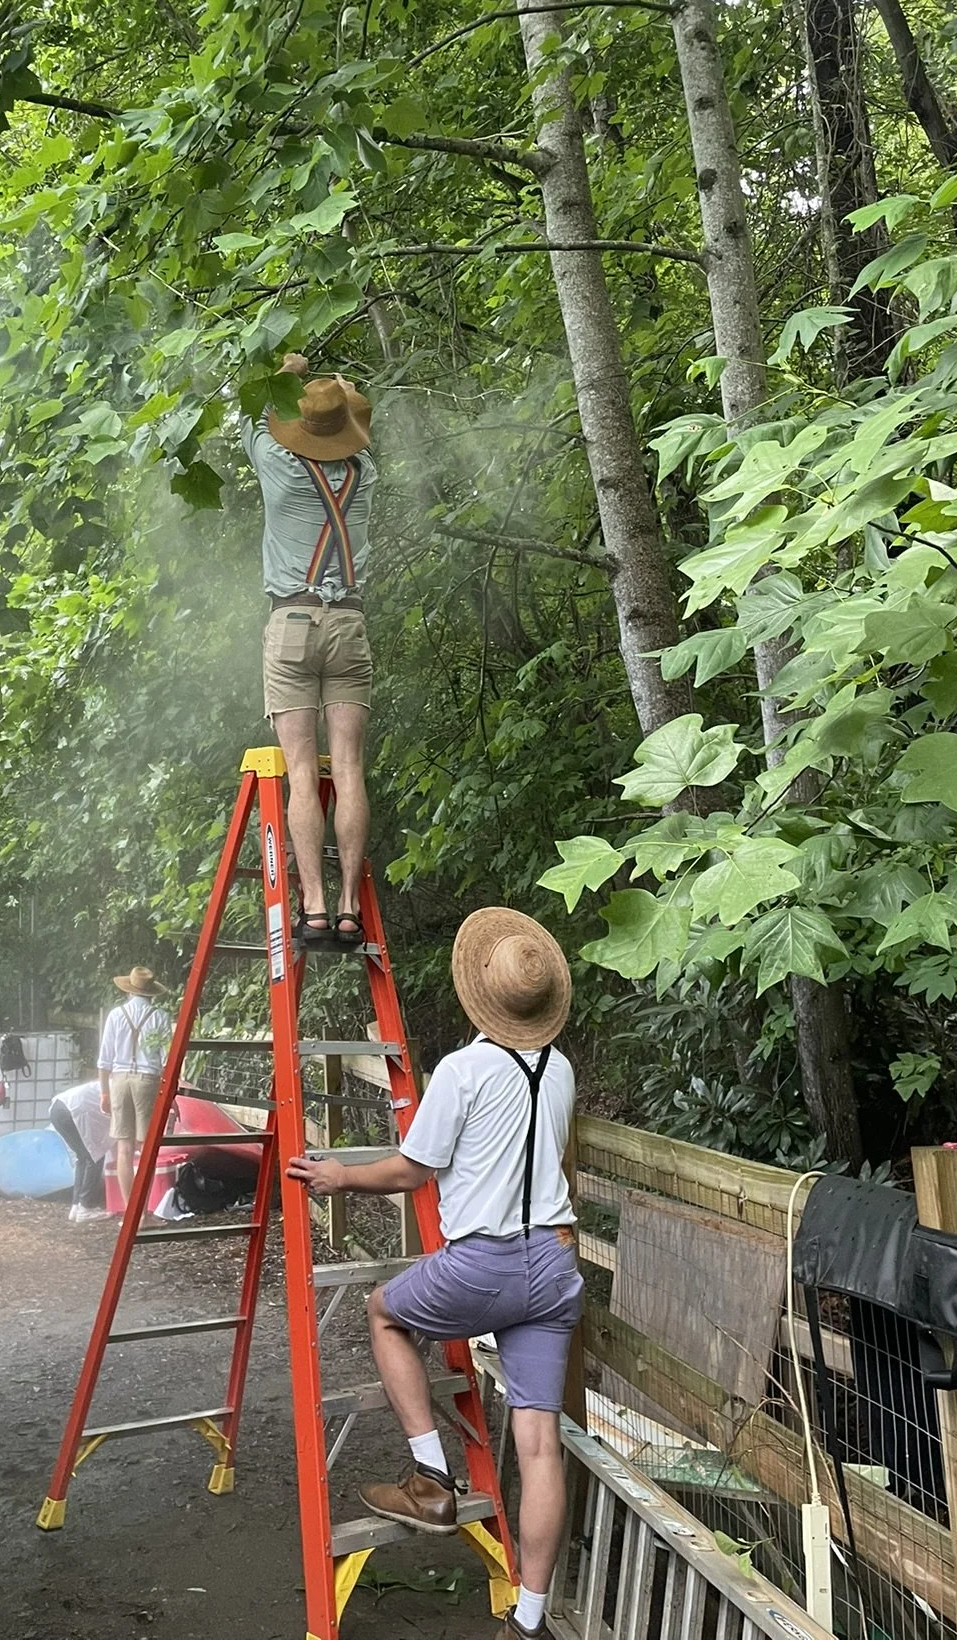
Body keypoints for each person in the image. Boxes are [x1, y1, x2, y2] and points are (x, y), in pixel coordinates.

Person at [287, 908, 581, 1640]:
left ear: (479, 991)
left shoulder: (464, 1069)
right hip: (552, 1261)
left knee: (386, 1311)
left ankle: (431, 1480)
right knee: (540, 1445)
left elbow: (413, 1167)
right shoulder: (562, 1067)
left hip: (484, 1263)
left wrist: (337, 1177)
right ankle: (531, 1618)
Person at [240, 352, 376, 951]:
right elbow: (354, 419)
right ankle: (350, 910)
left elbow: (248, 408)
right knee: (347, 769)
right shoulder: (366, 473)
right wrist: (336, 389)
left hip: (291, 621)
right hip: (349, 623)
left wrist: (287, 370)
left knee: (301, 772)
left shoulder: (278, 465)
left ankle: (314, 910)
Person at [97, 967, 174, 1214]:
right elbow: (167, 1060)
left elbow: (104, 1059)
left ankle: (133, 1213)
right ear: (151, 992)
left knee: (124, 1148)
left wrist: (104, 1092)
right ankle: (145, 1212)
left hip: (118, 1080)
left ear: (129, 990)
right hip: (147, 1080)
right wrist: (170, 1093)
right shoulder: (160, 1016)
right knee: (146, 1147)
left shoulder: (115, 1015)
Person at [49, 1077, 113, 1221]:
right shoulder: (122, 1089)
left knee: (83, 1157)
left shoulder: (113, 1082)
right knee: (94, 1156)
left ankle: (76, 1206)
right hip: (73, 1111)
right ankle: (85, 1207)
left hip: (58, 1108)